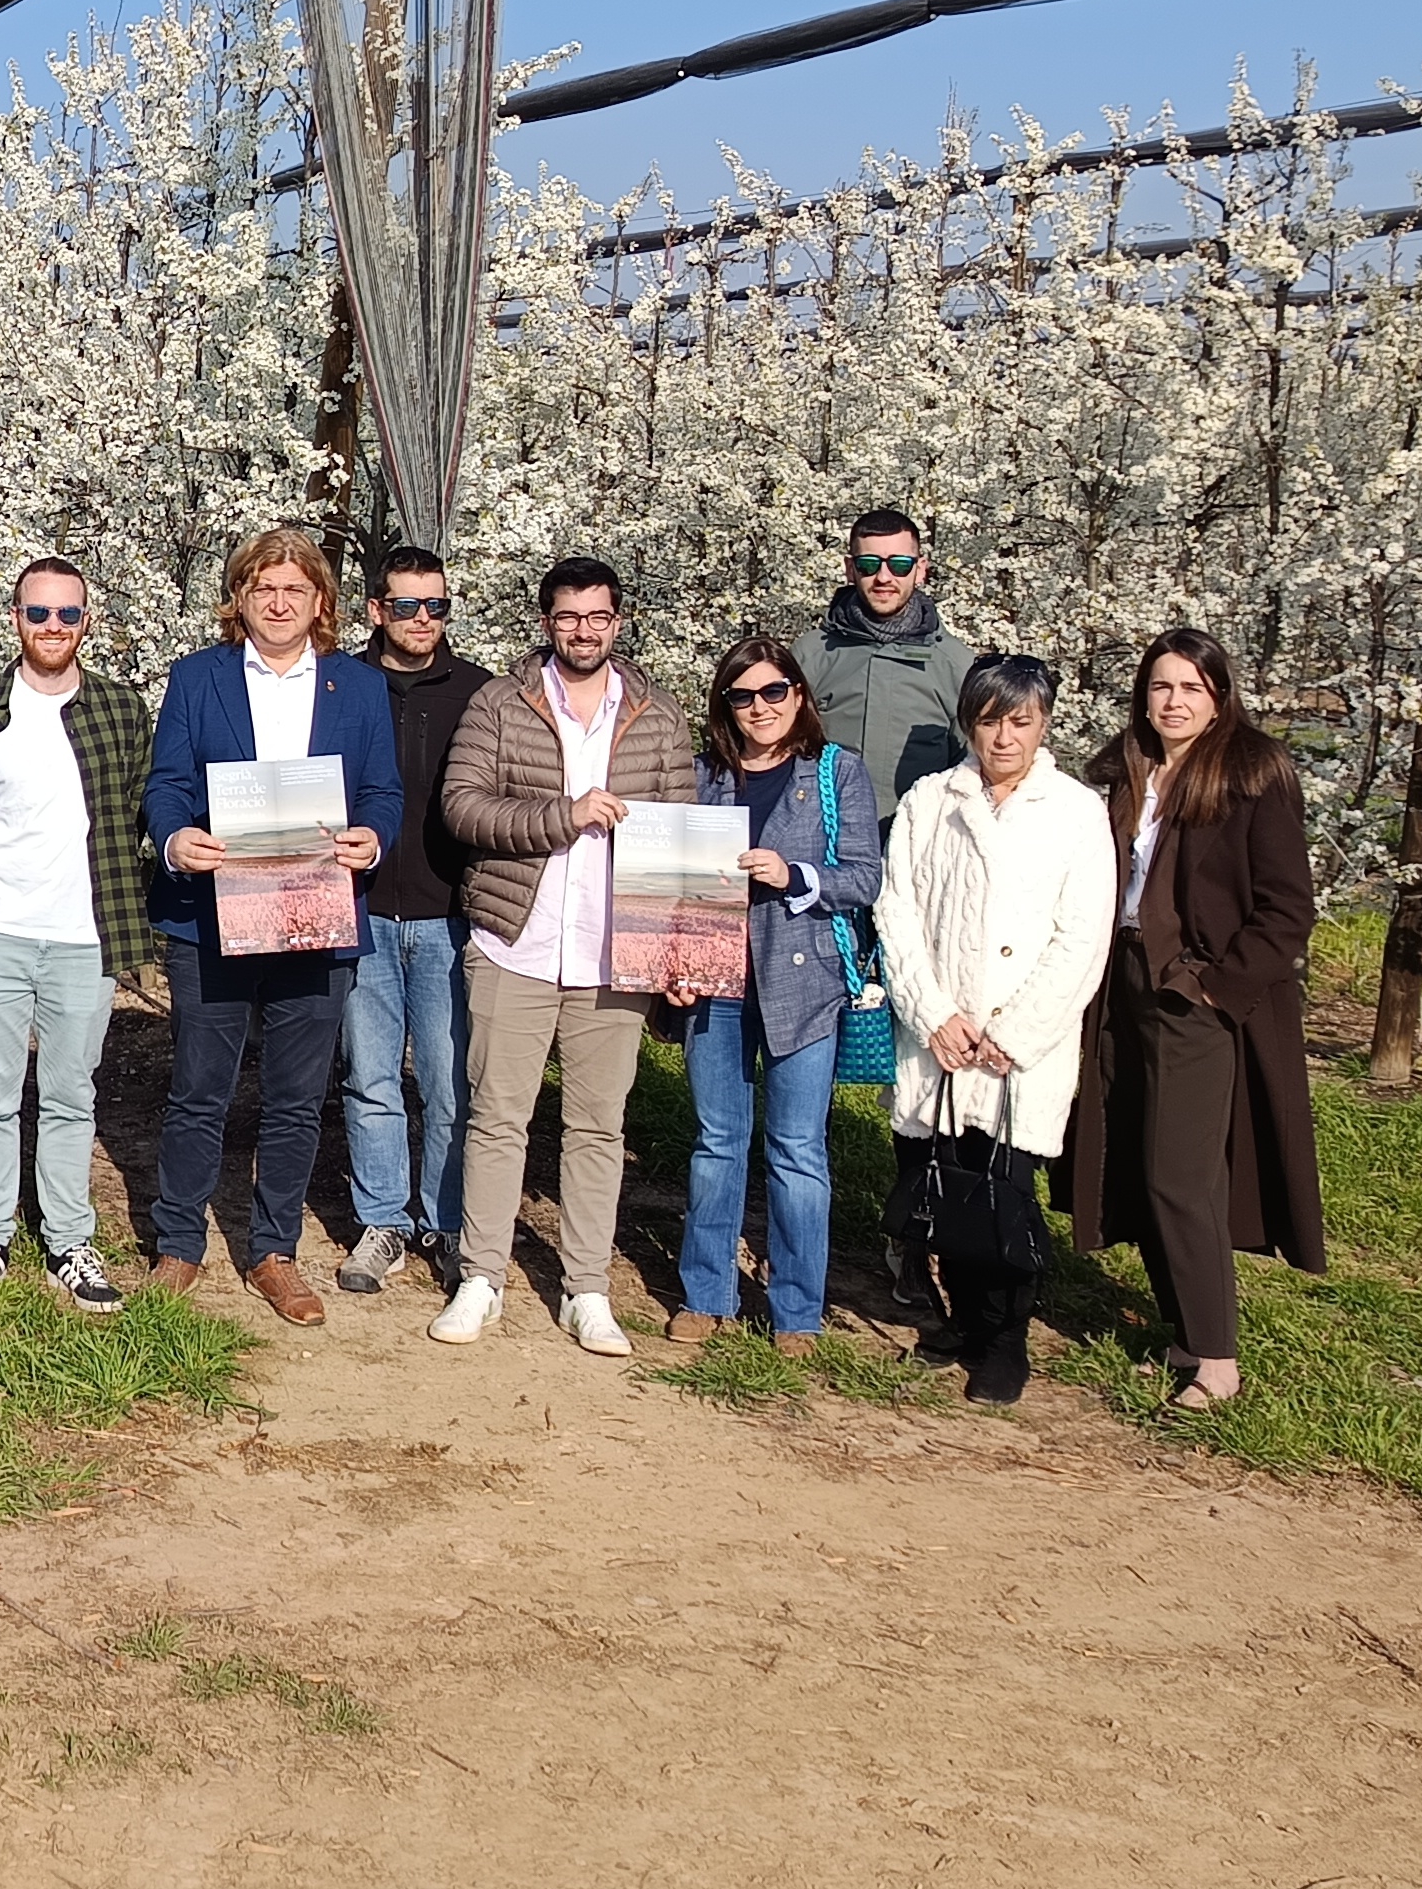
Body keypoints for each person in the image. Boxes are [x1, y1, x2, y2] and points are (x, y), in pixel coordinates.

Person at [432, 557, 697, 1357]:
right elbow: (462, 808)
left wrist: (675, 947)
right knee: (496, 1118)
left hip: (610, 953)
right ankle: (480, 1276)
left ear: (618, 622)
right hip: (515, 940)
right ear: (546, 621)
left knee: (597, 1126)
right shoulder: (500, 703)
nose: (584, 629)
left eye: (598, 616)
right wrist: (563, 813)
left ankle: (587, 1288)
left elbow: (678, 843)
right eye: (568, 616)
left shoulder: (659, 717)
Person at [141, 528, 404, 1326]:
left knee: (295, 1099)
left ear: (321, 602)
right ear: (241, 600)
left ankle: (272, 1251)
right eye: (263, 588)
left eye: (295, 588)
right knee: (198, 1090)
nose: (279, 602)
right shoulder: (197, 678)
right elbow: (166, 784)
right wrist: (174, 838)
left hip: (317, 916)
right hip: (211, 916)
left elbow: (383, 791)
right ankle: (178, 1242)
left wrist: (374, 838)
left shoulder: (357, 687)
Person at [1066, 629, 1328, 1415]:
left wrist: (1216, 989)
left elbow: (1288, 906)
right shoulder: (1123, 770)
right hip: (1118, 983)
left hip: (1193, 994)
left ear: (1219, 696)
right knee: (1133, 1158)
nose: (1173, 701)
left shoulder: (1252, 771)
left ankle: (1217, 1356)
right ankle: (1181, 1335)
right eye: (1160, 686)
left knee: (1181, 1174)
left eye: (1190, 687)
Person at [877, 652, 1115, 1405]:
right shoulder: (929, 800)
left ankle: (1005, 1336)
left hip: (1019, 1045)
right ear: (969, 723)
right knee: (939, 1177)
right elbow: (899, 910)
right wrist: (933, 1012)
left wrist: (1015, 1031)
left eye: (1020, 721)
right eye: (990, 720)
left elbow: (1083, 935)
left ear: (1043, 723)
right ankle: (956, 1320)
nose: (1004, 737)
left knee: (1005, 1191)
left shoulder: (1077, 811)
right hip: (943, 1033)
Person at [0, 556, 152, 1313]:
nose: (53, 627)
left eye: (68, 614)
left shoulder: (122, 712)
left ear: (86, 621)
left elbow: (132, 813)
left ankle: (68, 1238)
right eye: (39, 613)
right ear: (15, 619)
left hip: (82, 933)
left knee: (70, 1093)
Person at [674, 633, 882, 1350]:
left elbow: (864, 876)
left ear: (798, 694)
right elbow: (670, 880)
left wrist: (794, 874)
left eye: (773, 691)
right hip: (717, 979)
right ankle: (706, 1292)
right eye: (743, 695)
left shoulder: (836, 772)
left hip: (804, 981)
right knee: (717, 1141)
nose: (759, 707)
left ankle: (797, 1309)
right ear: (724, 705)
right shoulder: (704, 776)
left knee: (797, 1149)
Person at [337, 546, 492, 1299]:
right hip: (360, 910)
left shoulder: (480, 693)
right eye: (407, 606)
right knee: (370, 1078)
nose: (423, 619)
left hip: (447, 917)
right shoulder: (340, 684)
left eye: (436, 606)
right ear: (377, 610)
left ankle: (448, 1220)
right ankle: (383, 1220)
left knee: (449, 1080)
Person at [796, 508, 973, 829]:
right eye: (868, 564)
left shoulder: (955, 664)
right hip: (823, 844)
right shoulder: (811, 655)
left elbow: (973, 769)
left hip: (917, 846)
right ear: (850, 569)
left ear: (921, 570)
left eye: (900, 564)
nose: (884, 578)